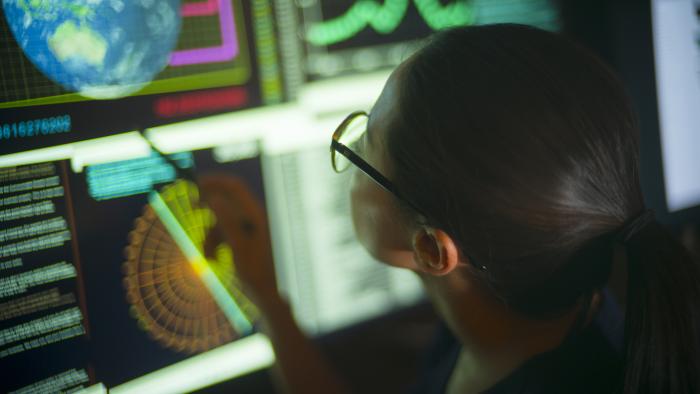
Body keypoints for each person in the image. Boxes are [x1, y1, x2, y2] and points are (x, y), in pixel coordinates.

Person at [200, 24, 700, 394]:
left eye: (364, 145)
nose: (351, 153)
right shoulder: (536, 306)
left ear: (432, 250)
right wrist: (266, 296)